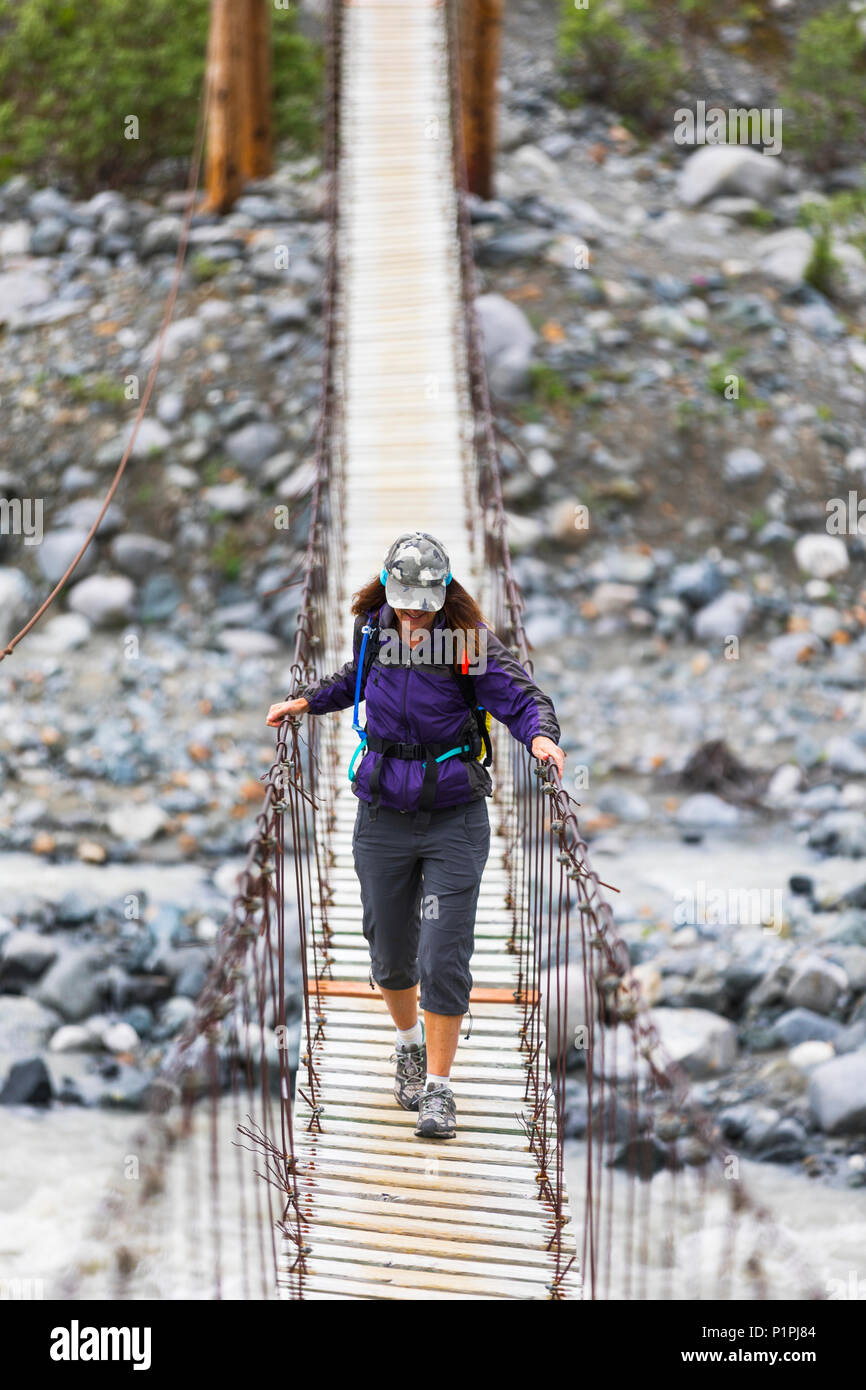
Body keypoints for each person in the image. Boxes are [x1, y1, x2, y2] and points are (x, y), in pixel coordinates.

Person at [267, 531, 565, 1139]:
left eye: (422, 606)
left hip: (454, 816)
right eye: (403, 604)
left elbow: (521, 697)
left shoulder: (467, 643)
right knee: (389, 952)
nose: (412, 616)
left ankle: (439, 1088)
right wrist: (306, 701)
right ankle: (407, 1045)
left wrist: (540, 735)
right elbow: (357, 678)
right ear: (388, 592)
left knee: (443, 953)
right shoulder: (375, 629)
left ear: (443, 595)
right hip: (381, 813)